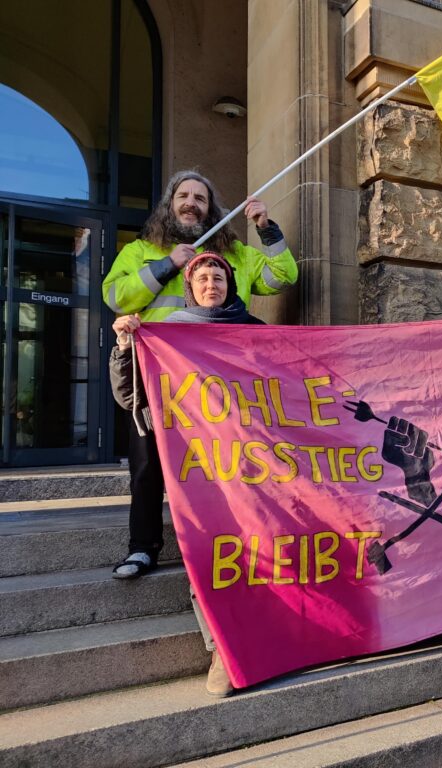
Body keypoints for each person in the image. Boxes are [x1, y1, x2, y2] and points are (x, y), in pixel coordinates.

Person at [103, 169, 297, 580]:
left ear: (211, 210)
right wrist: (167, 264)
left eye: (201, 198)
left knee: (226, 466)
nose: (191, 203)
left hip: (222, 383)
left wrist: (265, 228)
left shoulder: (238, 253)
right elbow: (116, 296)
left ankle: (235, 545)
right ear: (170, 205)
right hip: (158, 376)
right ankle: (142, 549)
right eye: (184, 196)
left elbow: (283, 276)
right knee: (148, 466)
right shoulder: (141, 249)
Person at [110, 253, 265, 697]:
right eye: (202, 277)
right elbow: (129, 397)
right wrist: (125, 349)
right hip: (198, 467)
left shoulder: (255, 330)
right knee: (209, 549)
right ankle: (222, 649)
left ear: (230, 285)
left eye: (219, 276)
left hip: (251, 465)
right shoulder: (169, 331)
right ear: (190, 287)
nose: (211, 283)